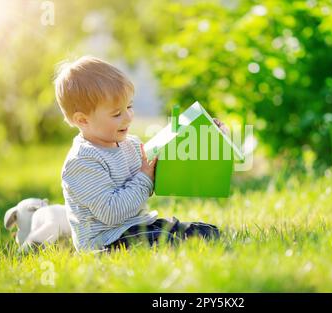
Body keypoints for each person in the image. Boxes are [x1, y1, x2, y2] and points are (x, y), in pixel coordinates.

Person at [54, 56, 220, 252]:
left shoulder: (130, 144)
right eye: (117, 114)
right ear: (82, 120)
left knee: (204, 231)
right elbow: (112, 213)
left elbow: (159, 167)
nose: (128, 117)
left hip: (139, 226)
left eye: (129, 107)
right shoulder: (82, 161)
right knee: (164, 240)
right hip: (107, 240)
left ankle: (183, 239)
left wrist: (201, 134)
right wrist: (144, 177)